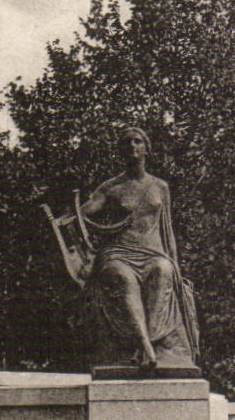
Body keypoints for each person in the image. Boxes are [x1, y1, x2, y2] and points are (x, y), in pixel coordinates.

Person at [78, 128, 199, 372]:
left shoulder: (160, 186)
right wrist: (71, 215)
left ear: (146, 148)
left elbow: (167, 229)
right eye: (127, 143)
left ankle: (146, 345)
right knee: (122, 278)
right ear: (121, 151)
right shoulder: (111, 188)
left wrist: (176, 264)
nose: (132, 146)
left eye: (137, 141)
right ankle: (146, 346)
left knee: (163, 271)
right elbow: (83, 214)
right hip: (119, 253)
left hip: (153, 252)